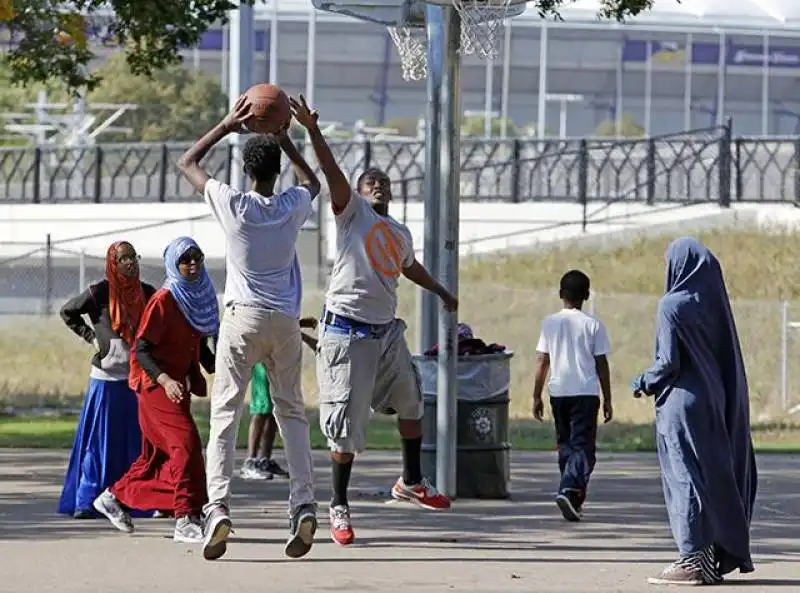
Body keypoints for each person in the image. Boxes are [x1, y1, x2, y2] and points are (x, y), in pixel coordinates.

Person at [290, 95, 458, 547]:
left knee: (412, 402)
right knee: (346, 430)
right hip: (348, 332)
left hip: (386, 334)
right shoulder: (352, 215)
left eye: (384, 182)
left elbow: (410, 268)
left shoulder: (398, 232)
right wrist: (313, 132)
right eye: (371, 182)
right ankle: (338, 504)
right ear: (359, 194)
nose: (379, 186)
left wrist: (442, 292)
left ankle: (411, 481)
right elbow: (329, 171)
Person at [177, 95, 322, 561]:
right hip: (283, 320)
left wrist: (225, 124)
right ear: (276, 171)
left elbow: (188, 161)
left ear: (245, 169)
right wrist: (288, 141)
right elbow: (313, 182)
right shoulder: (292, 206)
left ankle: (217, 507)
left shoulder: (232, 202)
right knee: (291, 413)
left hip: (241, 318)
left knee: (226, 414)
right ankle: (303, 503)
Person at [632, 237, 757, 586]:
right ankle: (711, 556)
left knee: (684, 475)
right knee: (713, 476)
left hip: (681, 403)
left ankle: (692, 559)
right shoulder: (715, 306)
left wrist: (643, 380)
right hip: (714, 400)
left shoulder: (671, 305)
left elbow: (668, 363)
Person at [92, 237, 219, 545]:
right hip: (155, 386)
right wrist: (165, 380)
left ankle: (114, 496)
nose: (192, 264)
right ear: (173, 265)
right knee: (185, 444)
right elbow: (142, 349)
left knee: (157, 459)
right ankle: (186, 518)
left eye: (197, 257)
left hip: (177, 385)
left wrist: (229, 371)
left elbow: (200, 347)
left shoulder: (197, 297)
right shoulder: (164, 300)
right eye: (185, 259)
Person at [58, 241, 156, 519]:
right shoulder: (98, 292)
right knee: (98, 442)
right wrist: (93, 339)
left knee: (135, 442)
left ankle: (132, 498)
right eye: (123, 258)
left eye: (133, 257)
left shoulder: (147, 293)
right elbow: (68, 312)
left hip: (137, 378)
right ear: (113, 263)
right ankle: (86, 501)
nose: (130, 263)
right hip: (105, 379)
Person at [531, 270, 613, 523]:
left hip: (559, 392)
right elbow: (601, 364)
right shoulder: (593, 325)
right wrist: (608, 398)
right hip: (585, 393)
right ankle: (568, 488)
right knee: (583, 448)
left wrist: (536, 395)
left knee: (566, 445)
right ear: (587, 295)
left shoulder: (550, 323)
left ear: (560, 294)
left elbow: (542, 360)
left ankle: (573, 499)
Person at [241, 316, 319, 481]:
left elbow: (281, 323)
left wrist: (299, 327)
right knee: (261, 409)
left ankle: (264, 460)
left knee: (274, 410)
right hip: (262, 356)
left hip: (278, 357)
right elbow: (268, 322)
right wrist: (302, 328)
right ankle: (250, 461)